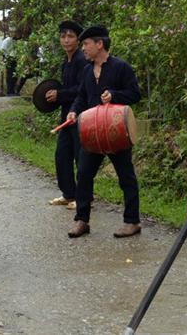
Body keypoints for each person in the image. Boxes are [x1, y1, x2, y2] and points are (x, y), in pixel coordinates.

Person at [66, 25, 142, 238]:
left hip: (115, 131)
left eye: (87, 44)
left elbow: (135, 94)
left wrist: (115, 95)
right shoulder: (87, 70)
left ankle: (132, 221)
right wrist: (73, 112)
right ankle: (82, 220)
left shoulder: (121, 67)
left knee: (125, 176)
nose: (84, 49)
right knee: (83, 174)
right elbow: (81, 97)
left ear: (100, 44)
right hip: (92, 132)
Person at [47, 20, 85, 210]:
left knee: (81, 157)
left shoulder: (81, 60)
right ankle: (68, 194)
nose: (66, 40)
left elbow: (82, 90)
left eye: (70, 36)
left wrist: (60, 94)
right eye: (63, 36)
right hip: (65, 117)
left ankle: (83, 197)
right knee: (62, 155)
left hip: (80, 115)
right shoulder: (66, 62)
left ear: (78, 40)